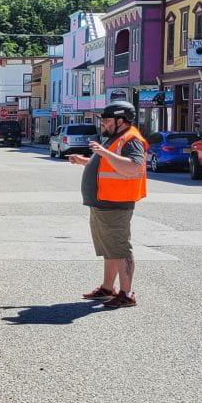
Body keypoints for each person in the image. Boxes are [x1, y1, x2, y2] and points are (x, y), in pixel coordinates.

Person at [69, 101, 148, 308]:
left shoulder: (130, 140)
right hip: (103, 202)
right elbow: (109, 165)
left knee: (120, 247)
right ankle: (107, 288)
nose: (103, 124)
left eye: (106, 120)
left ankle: (127, 294)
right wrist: (85, 161)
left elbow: (133, 167)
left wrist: (103, 153)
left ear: (120, 121)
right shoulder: (114, 138)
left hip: (116, 203)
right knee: (109, 248)